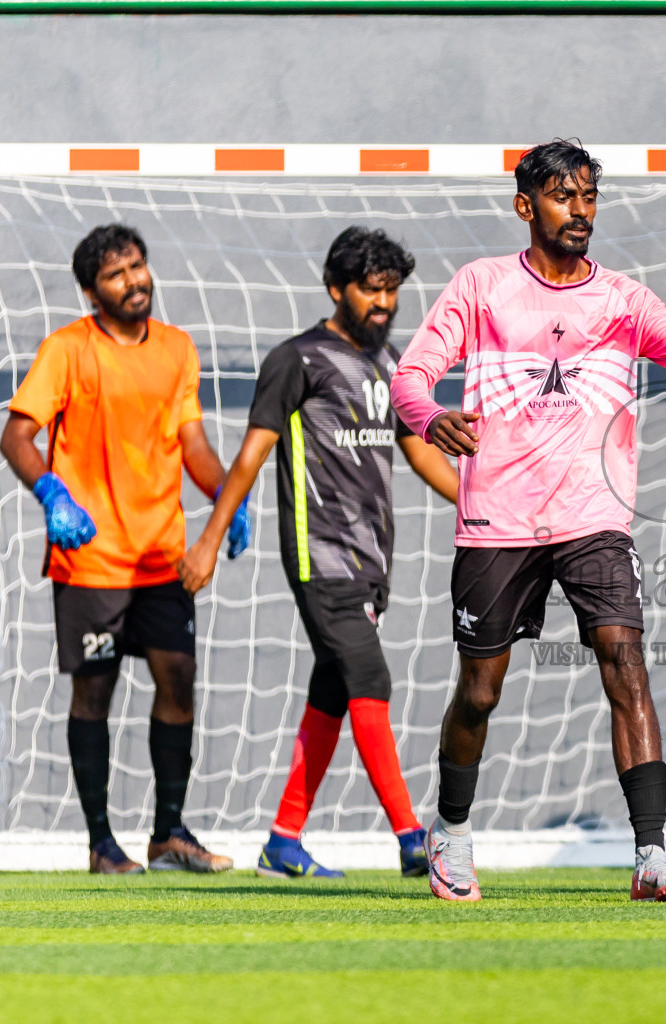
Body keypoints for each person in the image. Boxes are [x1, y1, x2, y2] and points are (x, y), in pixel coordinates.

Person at [391, 139, 666, 903]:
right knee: (480, 692)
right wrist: (430, 419)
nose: (580, 210)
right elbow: (410, 377)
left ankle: (652, 855)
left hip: (596, 518)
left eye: (588, 196)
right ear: (526, 206)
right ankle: (450, 830)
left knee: (625, 662)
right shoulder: (482, 287)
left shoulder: (623, 298)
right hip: (500, 520)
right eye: (562, 196)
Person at [179, 226, 458, 879]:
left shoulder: (391, 364)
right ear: (337, 290)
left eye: (392, 291)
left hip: (372, 560)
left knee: (333, 690)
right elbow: (250, 457)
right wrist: (210, 542)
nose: (384, 303)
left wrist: (480, 503)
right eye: (371, 290)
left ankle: (284, 842)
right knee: (370, 678)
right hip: (319, 555)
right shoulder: (296, 360)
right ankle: (414, 838)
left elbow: (418, 449)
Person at [0, 223, 247, 875]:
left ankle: (169, 834)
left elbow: (192, 443)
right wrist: (52, 492)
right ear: (91, 291)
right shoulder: (66, 349)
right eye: (116, 274)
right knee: (95, 693)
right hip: (92, 561)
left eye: (137, 266)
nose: (134, 281)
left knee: (178, 679)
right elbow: (16, 437)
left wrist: (229, 495)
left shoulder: (177, 348)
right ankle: (101, 844)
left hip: (161, 555)